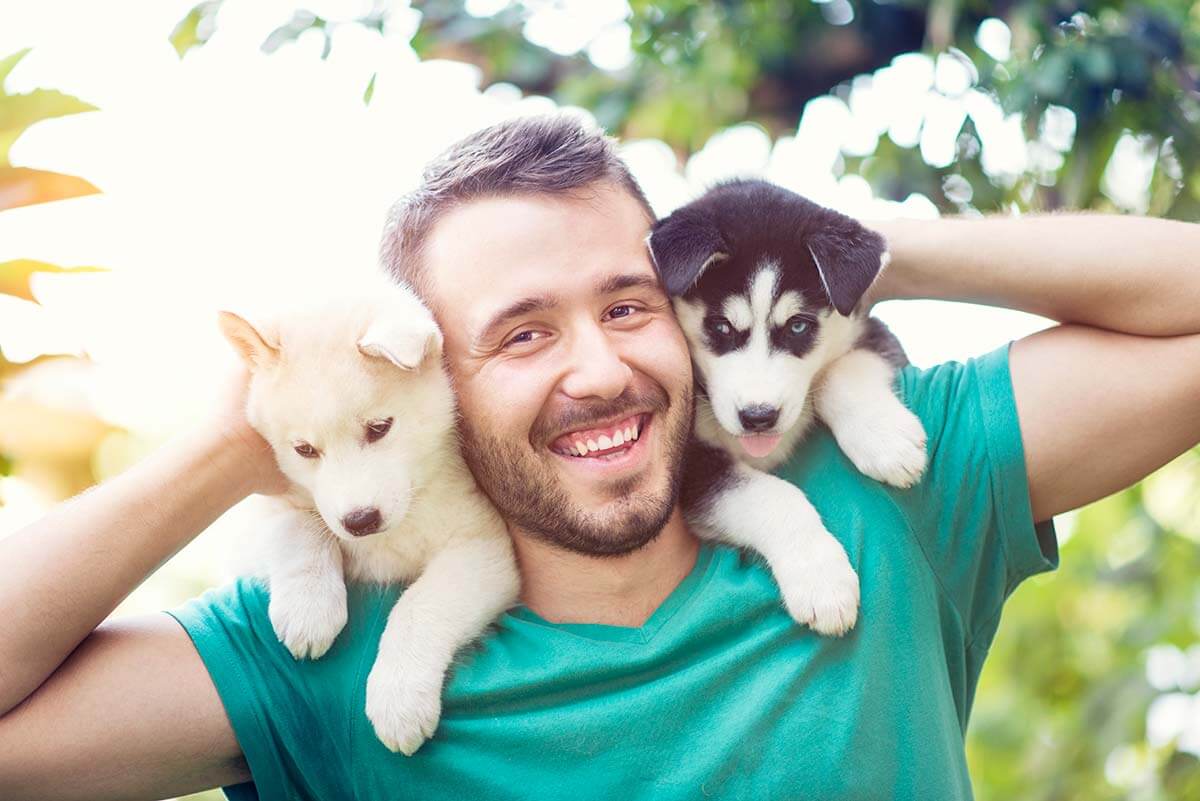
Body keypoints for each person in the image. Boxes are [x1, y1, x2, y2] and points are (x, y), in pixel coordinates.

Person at [1, 113, 1197, 801]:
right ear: (432, 382)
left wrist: (855, 250)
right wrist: (242, 433)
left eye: (631, 305)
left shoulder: (876, 492)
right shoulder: (327, 644)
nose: (598, 367)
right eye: (522, 334)